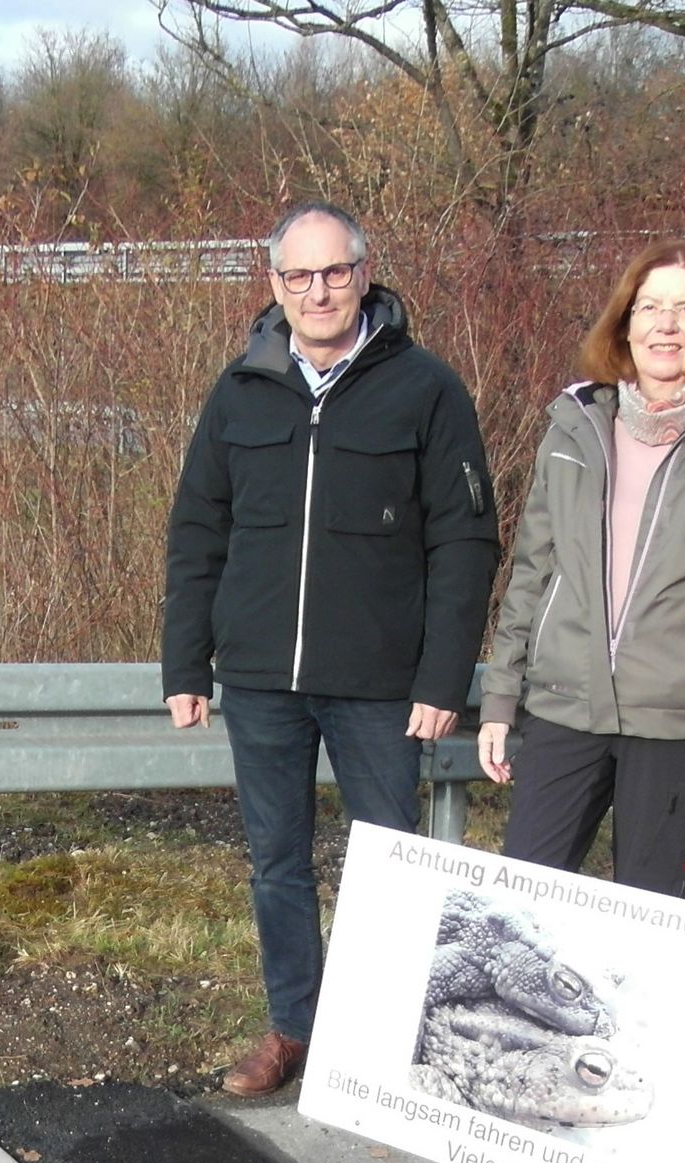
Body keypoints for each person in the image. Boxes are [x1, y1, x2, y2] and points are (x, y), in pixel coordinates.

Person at [163, 201, 499, 1099]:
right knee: (276, 863)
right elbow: (199, 529)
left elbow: (464, 544)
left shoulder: (425, 389)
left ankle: (380, 1042)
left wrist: (442, 677)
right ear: (274, 285)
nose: (318, 290)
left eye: (335, 271)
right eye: (299, 275)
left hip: (381, 684)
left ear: (364, 274)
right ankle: (295, 1031)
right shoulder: (240, 390)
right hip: (264, 679)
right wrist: (185, 664)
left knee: (387, 861)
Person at [478, 241, 685, 897]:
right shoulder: (573, 425)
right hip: (565, 707)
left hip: (679, 720)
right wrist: (501, 697)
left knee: (649, 922)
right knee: (521, 903)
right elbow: (532, 569)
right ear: (625, 322)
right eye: (650, 307)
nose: (667, 324)